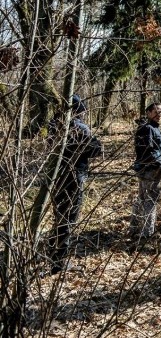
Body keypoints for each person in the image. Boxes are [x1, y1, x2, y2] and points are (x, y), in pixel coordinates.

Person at [48, 95, 103, 273]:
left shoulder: (53, 125)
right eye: (83, 110)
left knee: (59, 216)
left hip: (56, 176)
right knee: (69, 218)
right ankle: (60, 262)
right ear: (79, 110)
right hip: (75, 177)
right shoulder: (80, 127)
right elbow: (95, 149)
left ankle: (53, 254)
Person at [130, 102, 161, 240]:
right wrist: (158, 163)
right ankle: (147, 233)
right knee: (149, 200)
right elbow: (145, 151)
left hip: (153, 169)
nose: (159, 115)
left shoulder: (155, 128)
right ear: (149, 112)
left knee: (142, 198)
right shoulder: (147, 129)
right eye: (156, 112)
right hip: (149, 170)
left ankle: (134, 228)